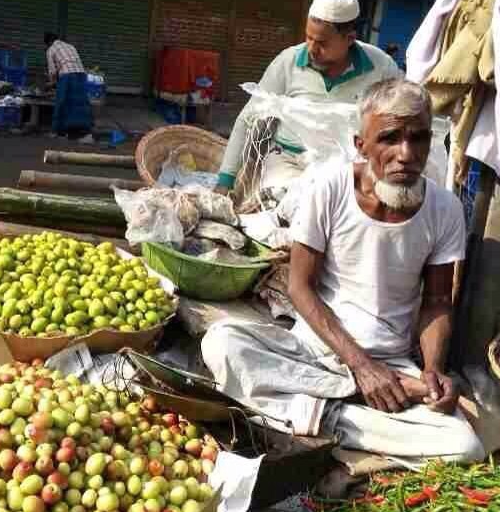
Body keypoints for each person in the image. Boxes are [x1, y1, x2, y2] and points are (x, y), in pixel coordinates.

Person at [202, 79, 484, 465]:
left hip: (393, 365)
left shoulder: (445, 209)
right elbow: (300, 287)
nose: (406, 154)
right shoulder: (329, 188)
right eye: (389, 138)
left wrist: (432, 371)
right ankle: (345, 405)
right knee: (221, 342)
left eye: (418, 138)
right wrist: (361, 367)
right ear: (360, 145)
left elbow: (437, 302)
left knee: (464, 444)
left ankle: (320, 413)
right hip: (314, 350)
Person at [215, 0, 401, 198]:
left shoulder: (381, 67)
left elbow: (402, 117)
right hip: (288, 163)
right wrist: (226, 179)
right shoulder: (289, 61)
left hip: (348, 168)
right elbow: (249, 119)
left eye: (321, 43)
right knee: (291, 205)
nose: (311, 49)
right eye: (308, 38)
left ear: (349, 39)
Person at [44, 32, 93, 142]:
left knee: (61, 102)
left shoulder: (51, 49)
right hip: (81, 74)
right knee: (81, 102)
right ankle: (85, 132)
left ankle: (56, 131)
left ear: (48, 43)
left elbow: (52, 72)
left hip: (67, 76)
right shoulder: (70, 46)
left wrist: (51, 83)